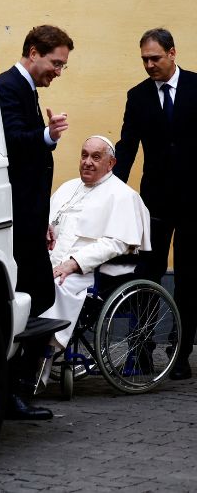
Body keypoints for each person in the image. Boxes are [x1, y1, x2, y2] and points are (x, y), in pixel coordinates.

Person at [0, 24, 73, 419]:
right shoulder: (7, 87)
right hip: (17, 221)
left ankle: (14, 388)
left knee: (35, 298)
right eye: (55, 63)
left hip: (28, 218)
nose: (57, 72)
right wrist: (46, 135)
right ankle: (11, 391)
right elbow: (11, 141)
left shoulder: (23, 88)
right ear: (33, 52)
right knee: (32, 298)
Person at [113, 27, 197, 380]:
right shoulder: (139, 96)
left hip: (195, 199)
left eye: (155, 58)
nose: (149, 65)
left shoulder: (196, 87)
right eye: (144, 59)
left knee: (191, 277)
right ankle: (141, 348)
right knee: (148, 271)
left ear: (173, 53)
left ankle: (180, 351)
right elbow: (128, 147)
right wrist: (112, 194)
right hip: (155, 201)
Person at [39, 136, 150, 369]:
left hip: (91, 273)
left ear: (110, 164)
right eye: (84, 155)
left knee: (56, 286)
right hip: (52, 262)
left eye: (96, 157)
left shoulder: (122, 195)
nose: (87, 162)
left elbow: (117, 243)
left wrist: (74, 263)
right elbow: (47, 222)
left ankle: (40, 359)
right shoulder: (68, 188)